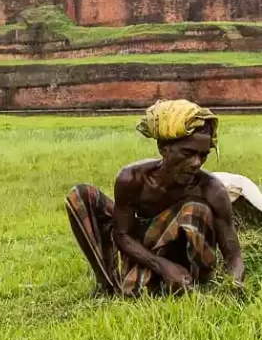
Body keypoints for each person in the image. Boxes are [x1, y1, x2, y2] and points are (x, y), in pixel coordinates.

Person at [65, 99, 245, 296]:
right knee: (80, 196)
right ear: (163, 148)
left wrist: (233, 285)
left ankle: (194, 285)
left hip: (184, 260)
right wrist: (162, 266)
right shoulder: (132, 179)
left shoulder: (211, 189)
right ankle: (108, 285)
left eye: (203, 155)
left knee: (195, 210)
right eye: (188, 153)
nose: (196, 163)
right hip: (146, 249)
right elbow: (122, 234)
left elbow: (233, 255)